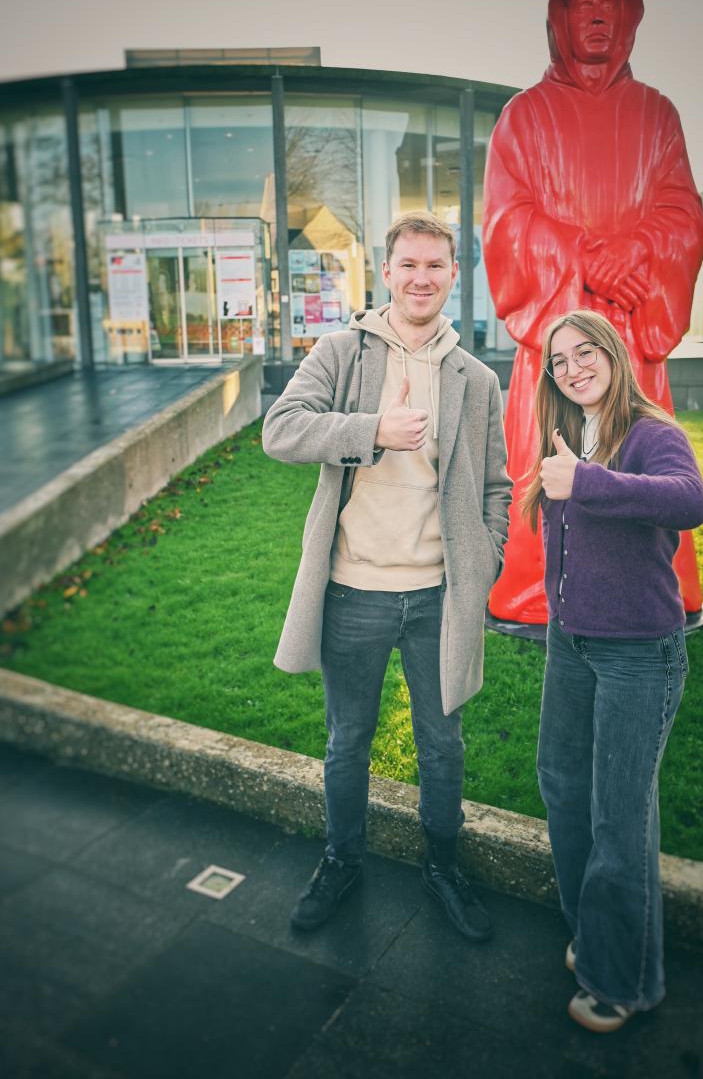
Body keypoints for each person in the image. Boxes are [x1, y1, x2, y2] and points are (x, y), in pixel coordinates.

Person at [262, 210, 512, 940]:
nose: (421, 278)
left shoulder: (475, 379)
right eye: (409, 264)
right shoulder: (342, 352)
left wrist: (486, 559)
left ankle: (443, 867)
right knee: (348, 741)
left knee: (443, 744)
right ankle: (342, 861)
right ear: (386, 271)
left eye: (435, 265)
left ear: (454, 274)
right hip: (354, 593)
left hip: (439, 596)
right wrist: (372, 428)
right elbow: (281, 429)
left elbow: (496, 486)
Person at [483, 0, 703, 628]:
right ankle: (538, 587)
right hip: (554, 337)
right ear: (561, 17)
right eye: (586, 4)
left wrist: (635, 251)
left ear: (630, 17)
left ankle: (651, 585)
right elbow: (505, 221)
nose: (599, 16)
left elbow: (684, 216)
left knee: (641, 453)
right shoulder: (523, 116)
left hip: (629, 332)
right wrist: (584, 255)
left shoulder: (656, 114)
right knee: (546, 455)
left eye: (611, 4)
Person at [520, 308, 703, 1032]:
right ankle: (595, 936)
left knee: (618, 818)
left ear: (613, 353)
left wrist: (586, 482)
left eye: (585, 352)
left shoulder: (651, 432)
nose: (573, 368)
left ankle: (620, 980)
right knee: (563, 788)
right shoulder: (569, 435)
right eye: (559, 360)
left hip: (637, 653)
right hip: (571, 644)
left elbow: (690, 500)